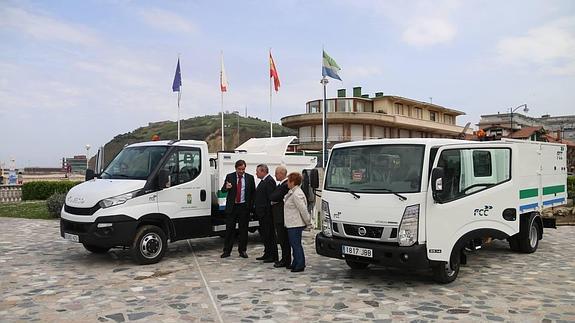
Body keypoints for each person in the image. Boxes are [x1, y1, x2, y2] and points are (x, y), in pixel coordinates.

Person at [220, 159, 255, 259]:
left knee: (243, 230)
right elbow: (223, 190)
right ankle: (227, 251)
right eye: (239, 169)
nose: (241, 171)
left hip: (244, 207)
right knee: (230, 230)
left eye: (243, 169)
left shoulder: (250, 178)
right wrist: (226, 187)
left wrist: (250, 206)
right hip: (232, 207)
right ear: (236, 169)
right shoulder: (230, 176)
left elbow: (253, 193)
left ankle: (242, 250)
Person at [283, 172, 312, 272]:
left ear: (293, 182)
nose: (287, 183)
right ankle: (295, 262)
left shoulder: (296, 194)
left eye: (288, 181)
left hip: (295, 223)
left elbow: (303, 209)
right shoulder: (293, 192)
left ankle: (300, 264)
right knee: (294, 244)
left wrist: (308, 222)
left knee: (296, 244)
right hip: (291, 223)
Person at [254, 164, 278, 263]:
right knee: (264, 235)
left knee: (270, 235)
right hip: (262, 214)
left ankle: (272, 256)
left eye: (258, 171)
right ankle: (267, 253)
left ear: (263, 171)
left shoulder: (269, 181)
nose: (256, 173)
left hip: (267, 215)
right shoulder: (263, 181)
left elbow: (270, 199)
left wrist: (266, 213)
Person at [269, 166, 290, 268]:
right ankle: (285, 259)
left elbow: (274, 196)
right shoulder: (281, 185)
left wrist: (273, 198)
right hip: (278, 215)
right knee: (282, 239)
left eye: (276, 173)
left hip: (281, 216)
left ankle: (286, 260)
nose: (275, 176)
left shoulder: (285, 185)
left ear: (281, 174)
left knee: (283, 239)